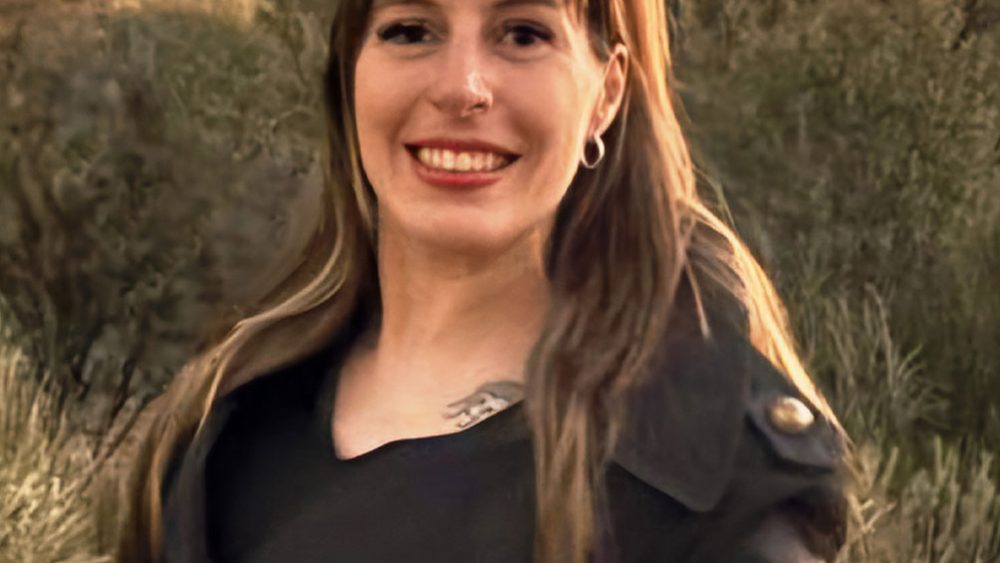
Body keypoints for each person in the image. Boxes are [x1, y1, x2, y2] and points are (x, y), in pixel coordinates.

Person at [101, 0, 850, 561]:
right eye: (411, 30)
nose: (462, 88)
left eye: (522, 33)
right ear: (350, 72)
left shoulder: (705, 492)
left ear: (608, 93)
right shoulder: (218, 431)